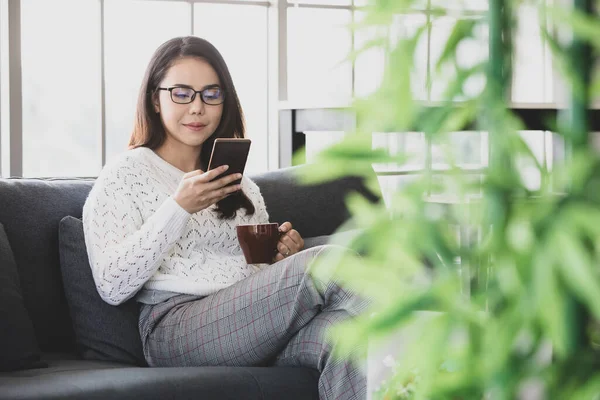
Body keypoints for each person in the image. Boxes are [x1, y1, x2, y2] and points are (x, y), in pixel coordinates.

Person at [82, 36, 368, 400]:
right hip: (176, 328)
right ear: (156, 99)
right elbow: (111, 285)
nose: (198, 107)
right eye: (182, 93)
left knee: (348, 336)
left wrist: (284, 256)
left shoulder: (240, 183)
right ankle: (439, 337)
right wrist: (179, 207)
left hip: (251, 322)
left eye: (211, 94)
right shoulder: (125, 174)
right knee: (328, 262)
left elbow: (256, 270)